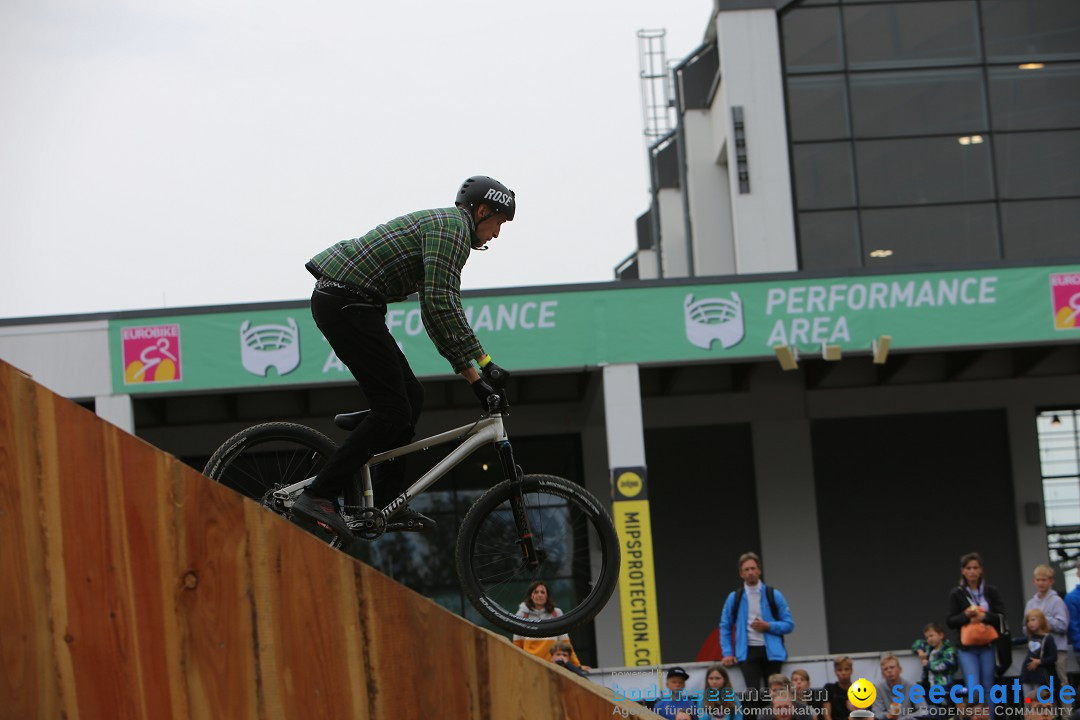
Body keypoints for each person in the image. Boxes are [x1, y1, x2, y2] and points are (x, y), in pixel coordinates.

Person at [291, 176, 516, 538]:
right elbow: (440, 306)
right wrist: (484, 365)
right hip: (346, 301)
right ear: (482, 210)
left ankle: (387, 502)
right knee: (393, 409)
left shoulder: (450, 228)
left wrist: (478, 380)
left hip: (354, 303)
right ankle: (319, 494)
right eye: (499, 223)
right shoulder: (452, 231)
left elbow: (440, 314)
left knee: (410, 399)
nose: (497, 234)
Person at [719, 552, 796, 690]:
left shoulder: (773, 594)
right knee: (752, 694)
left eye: (753, 568)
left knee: (775, 692)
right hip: (747, 652)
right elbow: (725, 626)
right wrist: (728, 653)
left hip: (772, 652)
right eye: (746, 570)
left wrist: (768, 626)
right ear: (741, 574)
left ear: (759, 570)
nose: (750, 572)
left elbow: (789, 625)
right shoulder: (734, 597)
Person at [946, 552, 1006, 716]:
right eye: (968, 568)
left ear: (981, 570)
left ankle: (989, 717)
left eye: (975, 568)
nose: (972, 571)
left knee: (988, 686)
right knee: (973, 687)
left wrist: (984, 616)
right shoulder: (957, 593)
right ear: (963, 571)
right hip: (967, 647)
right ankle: (975, 717)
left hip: (987, 645)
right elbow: (950, 621)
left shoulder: (990, 591)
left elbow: (1001, 617)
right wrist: (966, 616)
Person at [512, 581, 591, 669]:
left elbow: (565, 643)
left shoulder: (556, 613)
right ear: (531, 595)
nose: (539, 595)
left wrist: (577, 666)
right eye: (536, 592)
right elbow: (517, 645)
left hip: (553, 667)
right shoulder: (522, 615)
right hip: (530, 666)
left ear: (547, 596)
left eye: (543, 592)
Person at [1024, 564, 1069, 692]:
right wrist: (1031, 625)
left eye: (1044, 580)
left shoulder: (1057, 601)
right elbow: (1024, 628)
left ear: (1051, 581)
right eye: (1038, 579)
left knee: (1062, 683)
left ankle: (1067, 712)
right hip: (1038, 653)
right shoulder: (1031, 603)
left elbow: (1063, 625)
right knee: (1044, 685)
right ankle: (1048, 711)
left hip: (1058, 649)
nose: (1041, 583)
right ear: (1034, 581)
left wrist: (1043, 620)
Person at [871, 654, 928, 720]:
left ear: (900, 669)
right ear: (882, 674)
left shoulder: (913, 686)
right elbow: (876, 713)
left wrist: (904, 718)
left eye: (892, 667)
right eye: (885, 669)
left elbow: (923, 710)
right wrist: (887, 715)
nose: (889, 671)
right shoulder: (878, 688)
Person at [1020, 608, 1058, 698]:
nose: (1030, 623)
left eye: (1033, 620)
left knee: (1039, 698)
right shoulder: (1030, 637)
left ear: (1041, 621)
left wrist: (1039, 661)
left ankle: (1039, 711)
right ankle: (1029, 711)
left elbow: (1053, 657)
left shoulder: (1048, 638)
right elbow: (1016, 641)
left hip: (1040, 675)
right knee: (1027, 699)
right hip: (1027, 674)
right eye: (1028, 621)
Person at [912, 623, 959, 692]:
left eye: (931, 636)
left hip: (944, 686)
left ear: (941, 635)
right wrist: (919, 651)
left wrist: (928, 665)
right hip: (929, 685)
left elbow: (947, 664)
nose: (929, 639)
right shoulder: (928, 648)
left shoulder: (949, 650)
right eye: (927, 637)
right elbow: (916, 643)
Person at [824, 656, 854, 720]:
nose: (843, 673)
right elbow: (827, 715)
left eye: (846, 669)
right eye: (839, 670)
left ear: (851, 671)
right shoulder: (829, 689)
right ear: (835, 672)